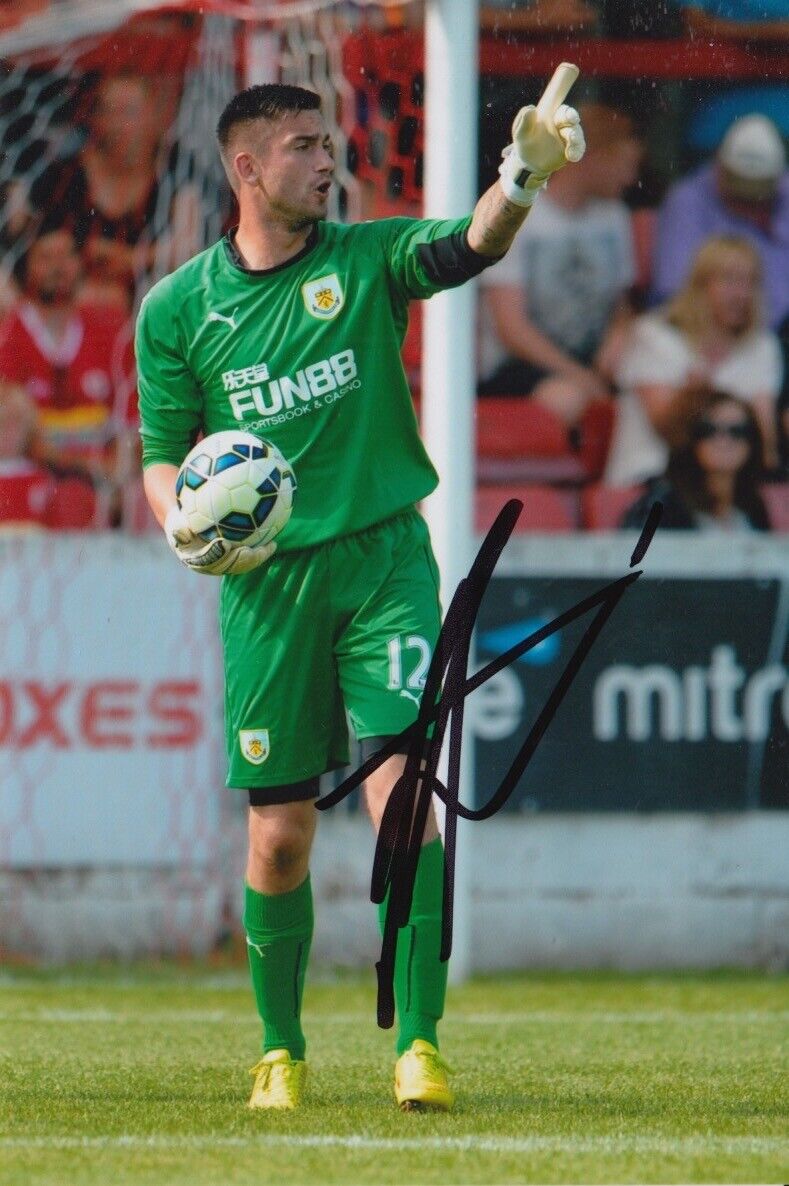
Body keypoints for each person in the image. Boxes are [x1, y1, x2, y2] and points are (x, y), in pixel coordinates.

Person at [135, 82, 585, 1111]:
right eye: (303, 147)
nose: (325, 161)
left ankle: (419, 1044)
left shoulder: (366, 259)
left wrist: (519, 178)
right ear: (247, 168)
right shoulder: (176, 311)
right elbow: (163, 457)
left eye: (328, 144)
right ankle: (279, 1051)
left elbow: (470, 246)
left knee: (404, 801)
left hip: (386, 566)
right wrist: (181, 520)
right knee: (279, 835)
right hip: (267, 590)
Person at [478, 103, 641, 428]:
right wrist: (580, 377)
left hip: (590, 360)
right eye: (625, 163)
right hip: (519, 365)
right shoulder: (517, 215)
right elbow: (512, 329)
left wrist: (619, 335)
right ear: (591, 157)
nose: (631, 178)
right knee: (567, 398)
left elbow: (620, 305)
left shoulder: (614, 216)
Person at [605, 234, 783, 487]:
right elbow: (667, 430)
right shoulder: (653, 335)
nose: (741, 294)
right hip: (650, 484)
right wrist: (695, 402)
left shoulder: (762, 347)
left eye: (750, 283)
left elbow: (764, 445)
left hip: (730, 494)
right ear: (700, 285)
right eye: (730, 280)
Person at [26, 74, 201, 308]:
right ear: (94, 118)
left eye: (129, 112)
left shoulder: (177, 166)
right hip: (75, 299)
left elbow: (190, 246)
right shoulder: (66, 174)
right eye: (108, 111)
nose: (118, 124)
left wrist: (130, 259)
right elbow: (37, 245)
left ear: (155, 116)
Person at [0, 224, 134, 503]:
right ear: (25, 266)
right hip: (28, 488)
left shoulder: (111, 334)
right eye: (46, 257)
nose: (58, 267)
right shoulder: (7, 336)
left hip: (103, 491)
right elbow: (14, 438)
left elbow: (133, 429)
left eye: (67, 256)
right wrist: (84, 466)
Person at [651, 114, 789, 332]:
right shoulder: (686, 201)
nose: (749, 203)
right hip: (704, 332)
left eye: (758, 193)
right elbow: (675, 292)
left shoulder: (785, 193)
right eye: (740, 192)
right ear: (719, 167)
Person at [620, 385, 770, 531]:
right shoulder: (660, 504)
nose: (724, 441)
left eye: (738, 431)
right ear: (688, 437)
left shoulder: (754, 507)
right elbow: (636, 553)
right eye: (709, 430)